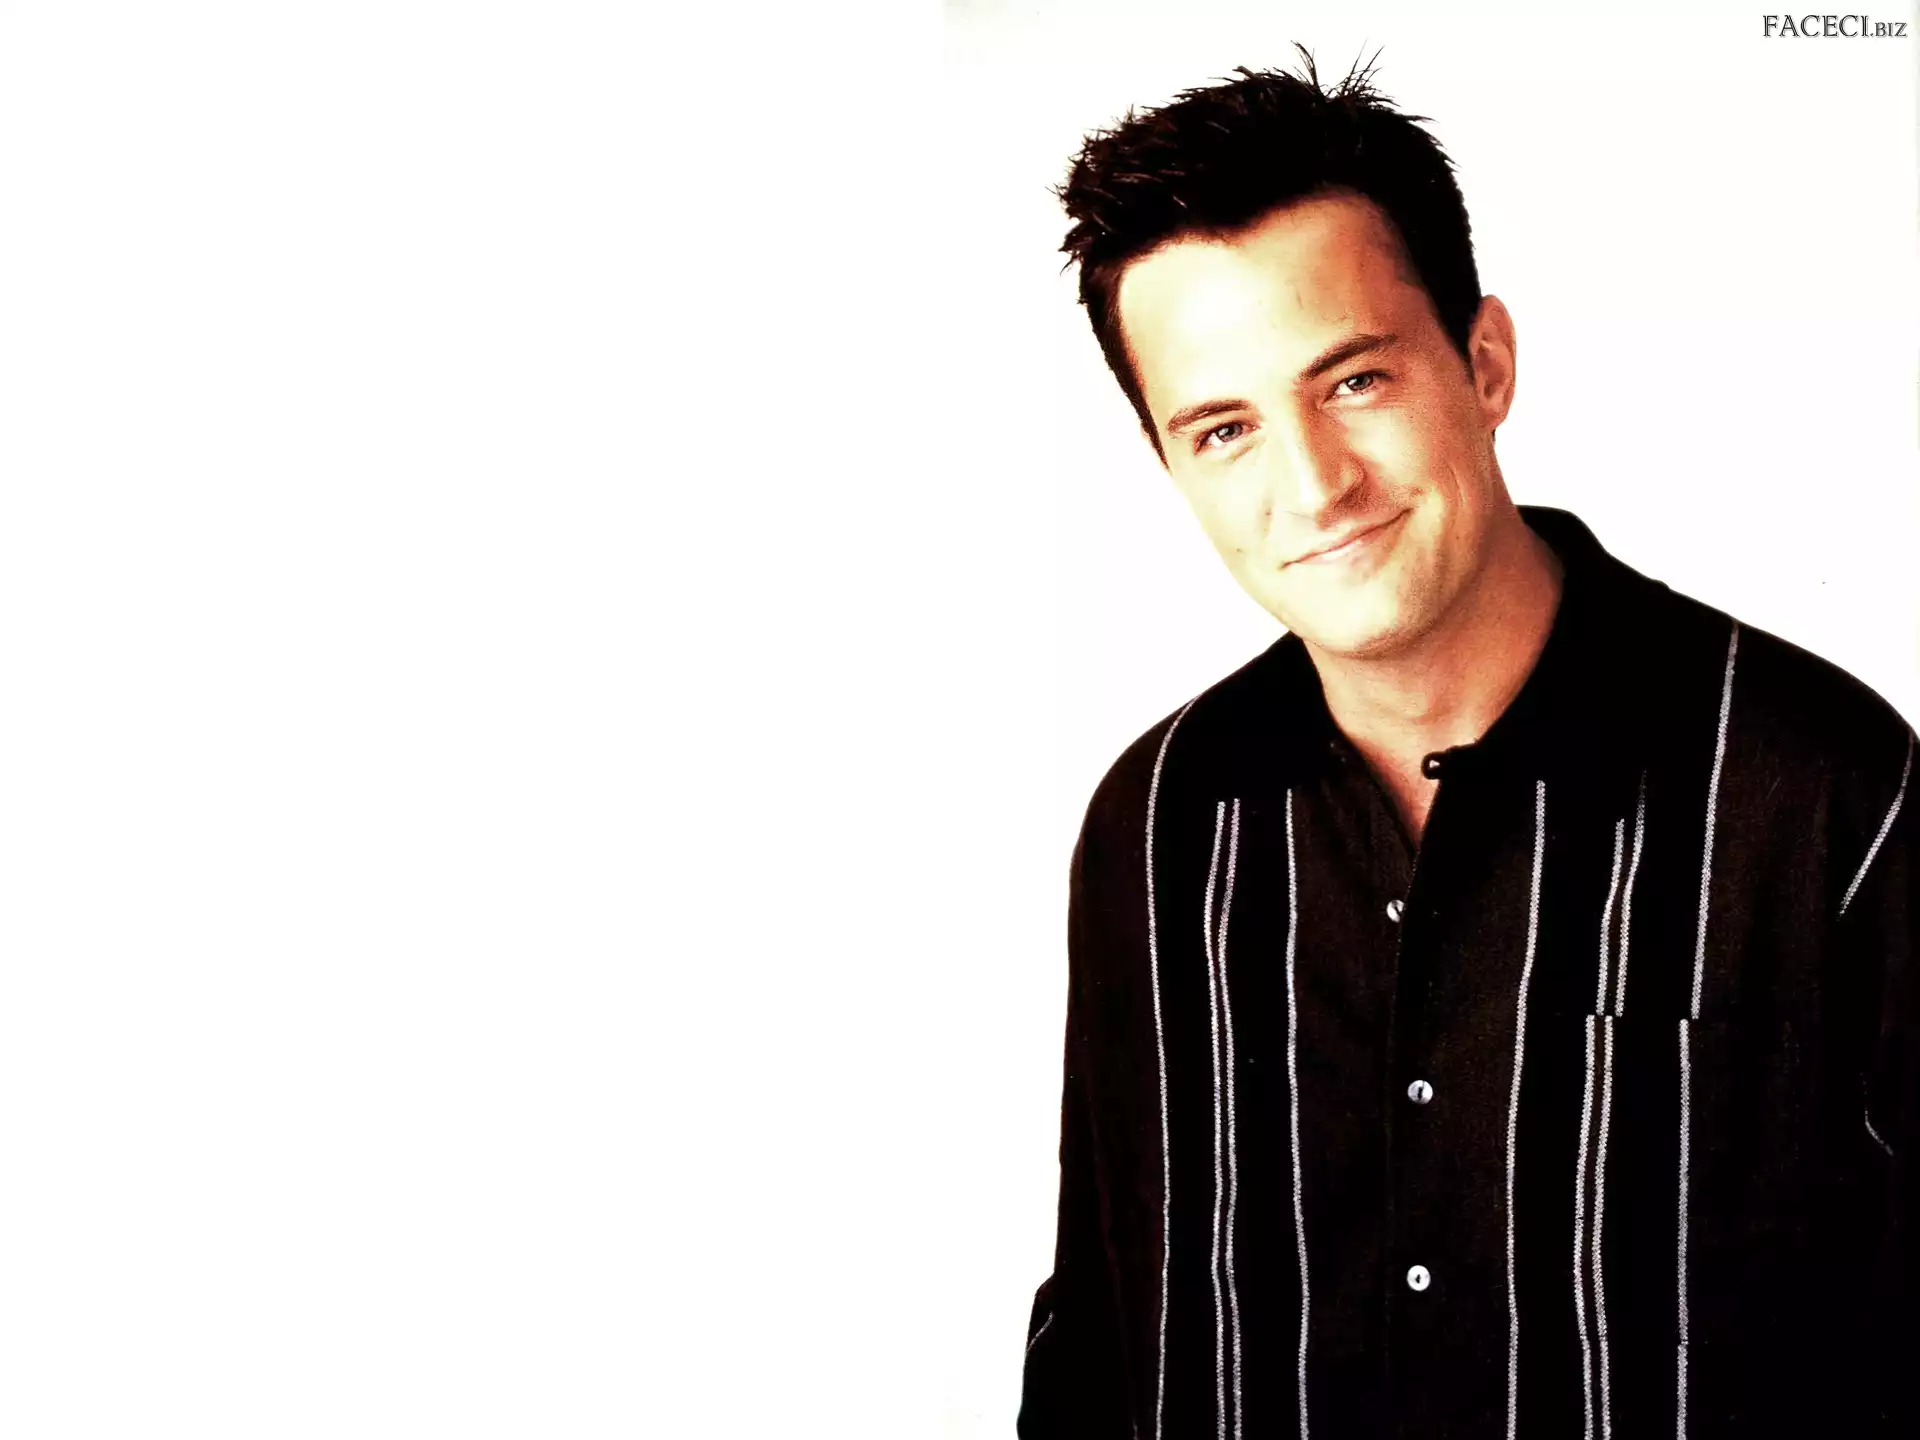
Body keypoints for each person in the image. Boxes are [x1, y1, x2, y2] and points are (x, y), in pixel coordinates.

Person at [1018, 51, 1918, 1438]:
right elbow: (1099, 1338)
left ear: (1483, 365)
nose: (1313, 486)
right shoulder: (1158, 826)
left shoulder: (1823, 798)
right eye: (1225, 429)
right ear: (1171, 467)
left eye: (1355, 381)